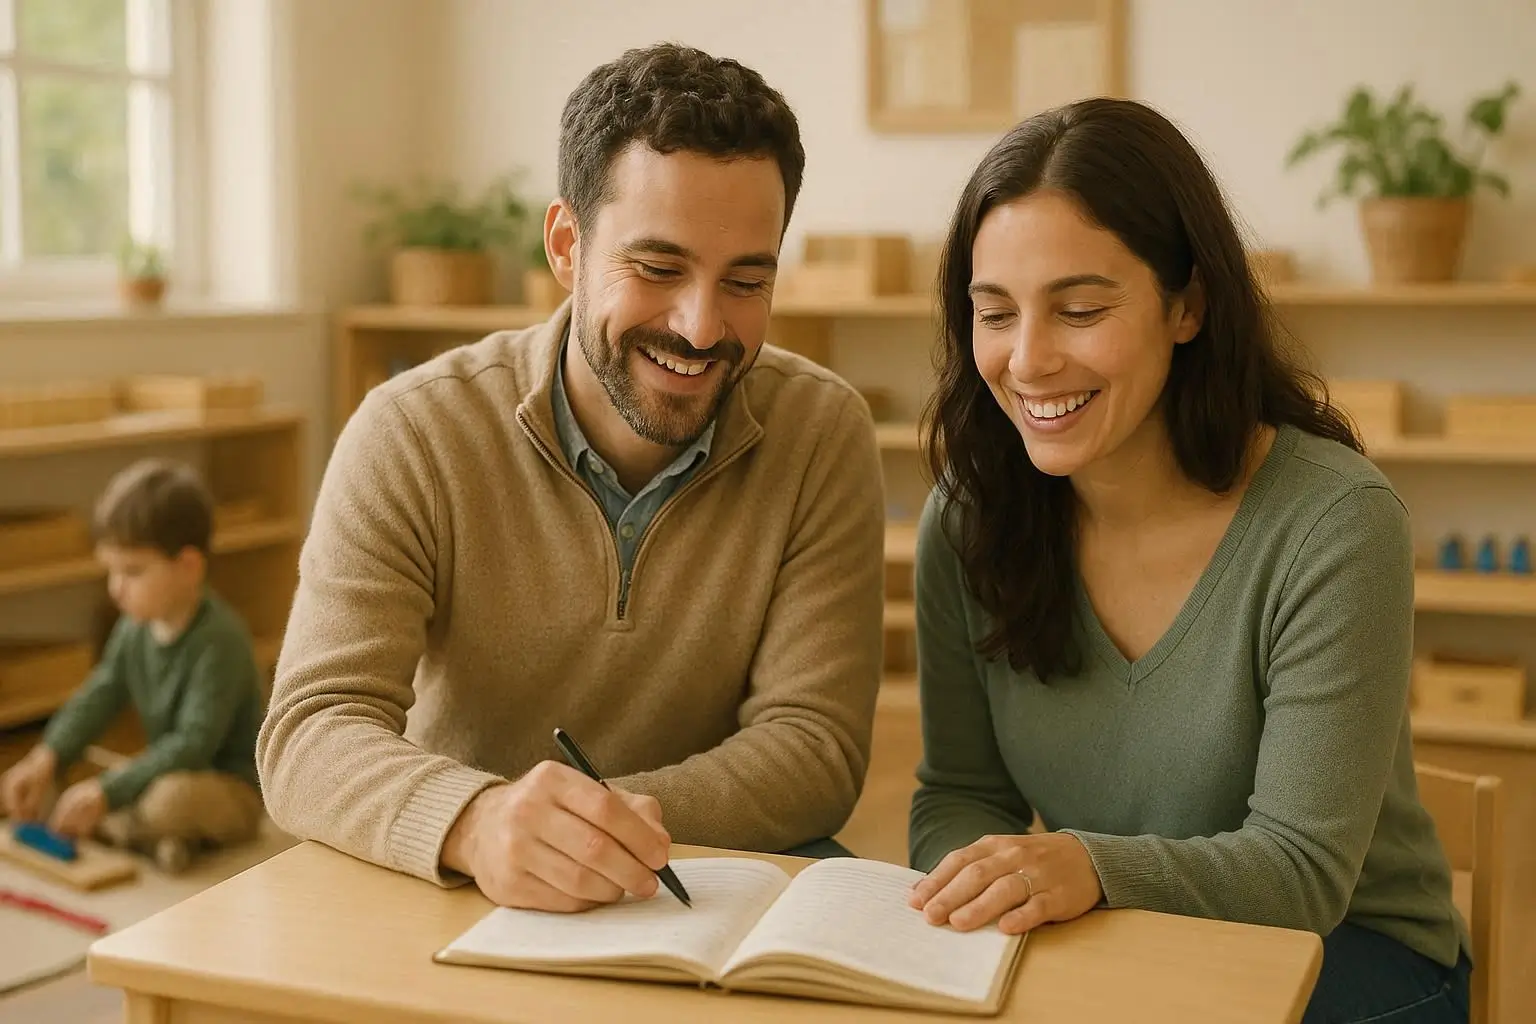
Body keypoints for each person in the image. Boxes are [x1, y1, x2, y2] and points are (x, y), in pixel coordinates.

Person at [257, 42, 885, 914]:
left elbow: (813, 749)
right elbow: (309, 733)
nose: (703, 327)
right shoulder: (412, 431)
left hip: (693, 891)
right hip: (461, 881)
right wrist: (481, 822)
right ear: (566, 244)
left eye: (746, 279)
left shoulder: (824, 431)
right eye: (658, 268)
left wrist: (580, 831)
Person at [904, 98, 1471, 1023]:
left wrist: (1086, 866)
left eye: (1080, 309)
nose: (1030, 360)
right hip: (1120, 950)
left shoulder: (1334, 524)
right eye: (995, 313)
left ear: (1188, 305)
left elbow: (1300, 873)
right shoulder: (968, 522)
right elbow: (961, 797)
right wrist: (975, 887)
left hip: (1355, 961)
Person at [0, 458, 265, 875]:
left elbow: (193, 744)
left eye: (133, 571)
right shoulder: (133, 629)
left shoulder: (221, 639)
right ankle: (160, 841)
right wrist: (46, 756)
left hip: (225, 789)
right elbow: (99, 694)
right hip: (170, 770)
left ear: (188, 568)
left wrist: (108, 792)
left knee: (165, 800)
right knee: (80, 772)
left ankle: (142, 831)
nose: (115, 588)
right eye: (111, 570)